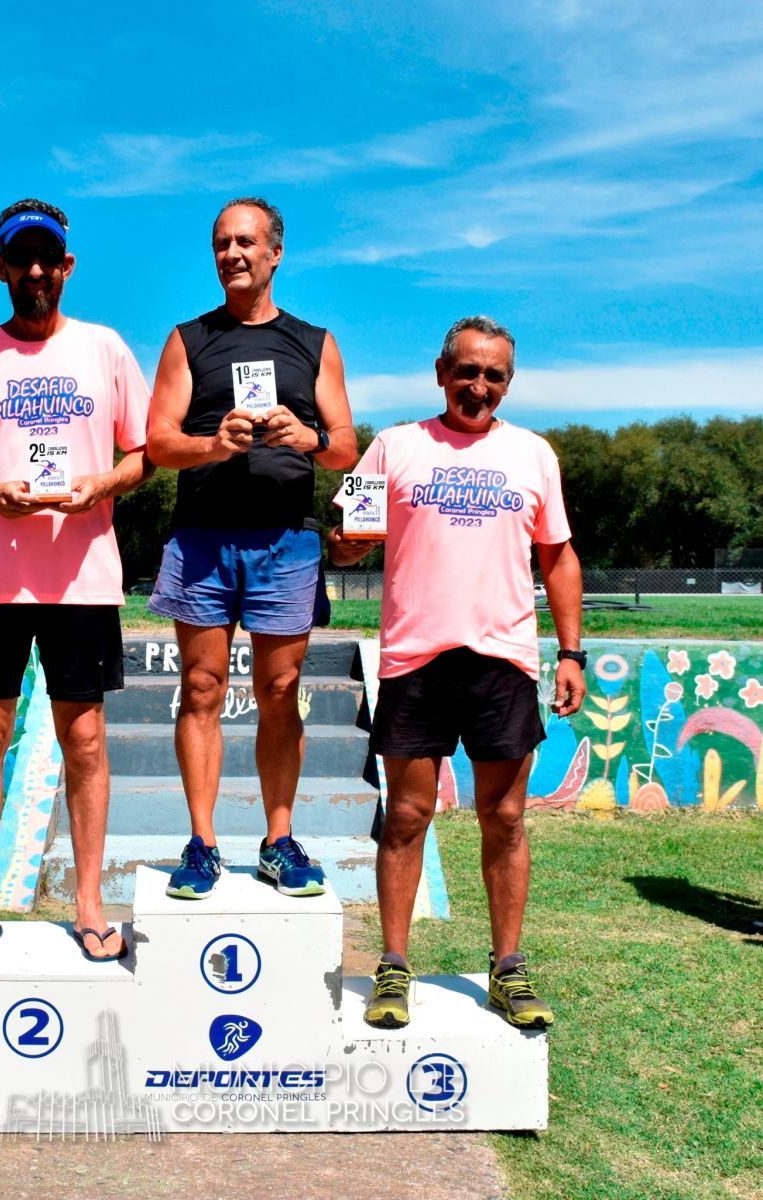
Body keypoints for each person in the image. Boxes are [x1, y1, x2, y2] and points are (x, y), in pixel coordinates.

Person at [329, 316, 586, 1028]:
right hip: (416, 659)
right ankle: (392, 967)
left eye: (493, 376)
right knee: (407, 815)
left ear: (507, 383)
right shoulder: (394, 447)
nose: (478, 386)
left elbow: (557, 556)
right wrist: (344, 542)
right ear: (440, 372)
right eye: (466, 371)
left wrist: (570, 652)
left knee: (502, 818)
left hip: (502, 661)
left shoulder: (532, 455)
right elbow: (346, 544)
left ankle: (508, 969)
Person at [0, 198, 150, 964]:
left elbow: (142, 453)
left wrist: (100, 484)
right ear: (1, 269)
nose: (37, 271)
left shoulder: (106, 349)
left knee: (83, 738)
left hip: (82, 578)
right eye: (22, 259)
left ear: (68, 266)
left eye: (49, 258)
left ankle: (89, 906)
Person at [147, 197, 357, 898]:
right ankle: (202, 844)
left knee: (278, 691)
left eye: (245, 242)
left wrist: (309, 439)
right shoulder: (188, 340)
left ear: (275, 253)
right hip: (203, 540)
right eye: (219, 244)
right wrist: (213, 444)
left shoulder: (314, 342)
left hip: (284, 543)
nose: (231, 254)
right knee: (201, 688)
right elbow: (157, 443)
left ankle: (277, 839)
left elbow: (346, 447)